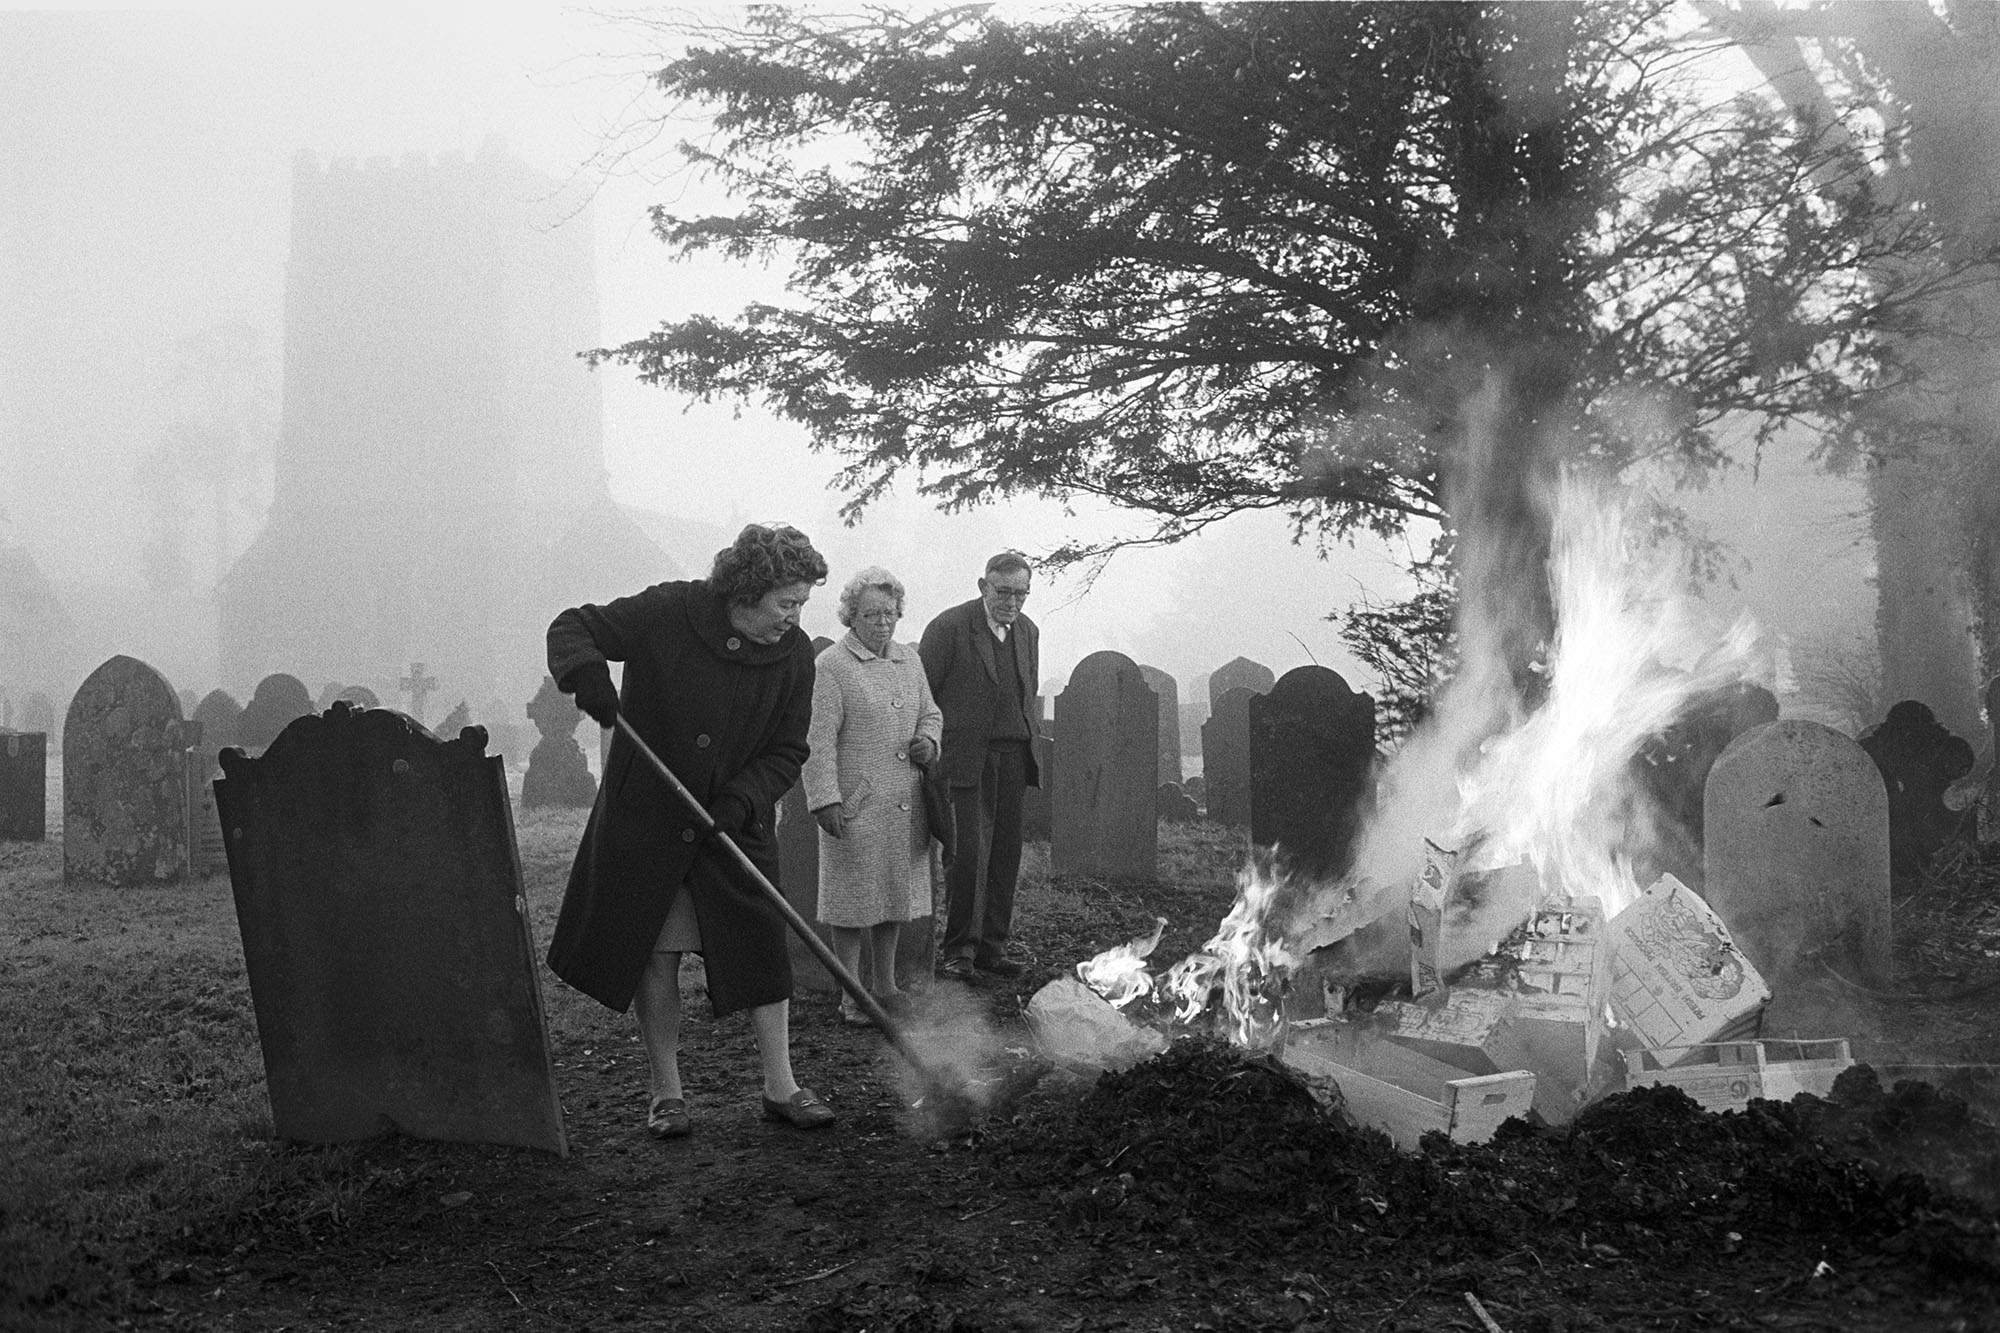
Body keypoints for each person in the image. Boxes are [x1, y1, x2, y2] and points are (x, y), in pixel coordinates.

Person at [546, 523, 836, 1137]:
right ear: (747, 592)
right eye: (787, 602)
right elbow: (574, 625)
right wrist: (587, 674)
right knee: (658, 953)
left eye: (802, 604)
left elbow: (788, 750)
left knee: (762, 952)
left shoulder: (794, 655)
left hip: (732, 825)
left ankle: (781, 1087)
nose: (794, 616)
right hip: (651, 821)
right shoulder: (671, 611)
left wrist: (743, 798)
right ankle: (666, 1093)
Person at [802, 567, 944, 1024]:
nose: (882, 622)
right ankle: (851, 995)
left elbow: (932, 713)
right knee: (850, 904)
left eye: (889, 613)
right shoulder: (832, 667)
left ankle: (885, 985)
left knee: (893, 897)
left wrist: (929, 740)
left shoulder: (909, 659)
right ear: (850, 616)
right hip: (856, 804)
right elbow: (816, 739)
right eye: (870, 614)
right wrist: (825, 799)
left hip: (905, 803)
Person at [918, 550, 1040, 980]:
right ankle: (959, 953)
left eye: (1021, 593)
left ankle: (992, 947)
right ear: (982, 586)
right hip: (965, 758)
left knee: (1006, 854)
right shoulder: (948, 628)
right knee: (968, 854)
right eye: (1003, 591)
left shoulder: (1028, 631)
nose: (1012, 602)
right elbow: (924, 695)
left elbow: (1027, 692)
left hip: (1013, 757)